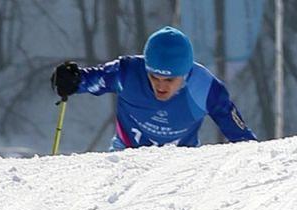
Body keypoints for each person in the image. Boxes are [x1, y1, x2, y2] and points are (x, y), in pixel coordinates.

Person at [51, 26, 256, 150]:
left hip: (184, 165)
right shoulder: (126, 73)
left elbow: (238, 132)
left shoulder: (205, 87)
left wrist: (256, 158)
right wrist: (71, 80)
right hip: (126, 155)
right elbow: (92, 79)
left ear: (185, 73)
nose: (160, 86)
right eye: (154, 77)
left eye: (169, 80)